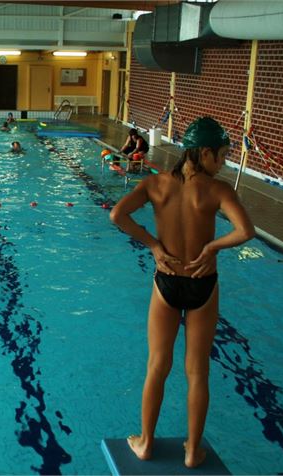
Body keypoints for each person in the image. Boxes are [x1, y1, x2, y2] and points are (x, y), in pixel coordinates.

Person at [109, 117, 255, 468]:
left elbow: (117, 215)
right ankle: (192, 451)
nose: (222, 164)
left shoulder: (156, 184)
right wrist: (212, 249)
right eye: (221, 156)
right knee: (198, 371)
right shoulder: (219, 190)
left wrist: (155, 247)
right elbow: (245, 231)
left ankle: (145, 443)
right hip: (203, 283)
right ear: (204, 152)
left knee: (157, 366)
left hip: (167, 280)